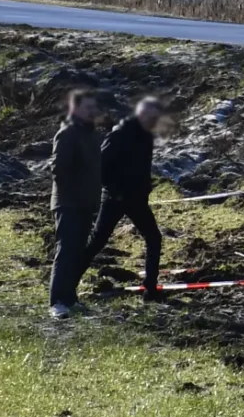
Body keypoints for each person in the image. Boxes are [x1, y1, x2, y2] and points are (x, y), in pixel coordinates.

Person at [88, 96, 168, 299]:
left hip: (137, 200)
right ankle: (68, 283)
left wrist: (146, 187)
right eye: (153, 117)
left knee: (154, 238)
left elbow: (143, 167)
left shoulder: (146, 136)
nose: (155, 121)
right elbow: (101, 167)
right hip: (115, 199)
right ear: (142, 114)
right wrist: (117, 191)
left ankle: (150, 288)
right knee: (97, 242)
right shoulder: (119, 134)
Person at [48, 89, 104, 319]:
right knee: (66, 251)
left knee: (77, 252)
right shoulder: (67, 134)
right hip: (68, 203)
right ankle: (57, 302)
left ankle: (70, 298)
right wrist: (75, 189)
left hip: (86, 204)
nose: (91, 112)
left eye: (93, 108)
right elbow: (58, 169)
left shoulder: (93, 136)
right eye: (86, 108)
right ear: (75, 109)